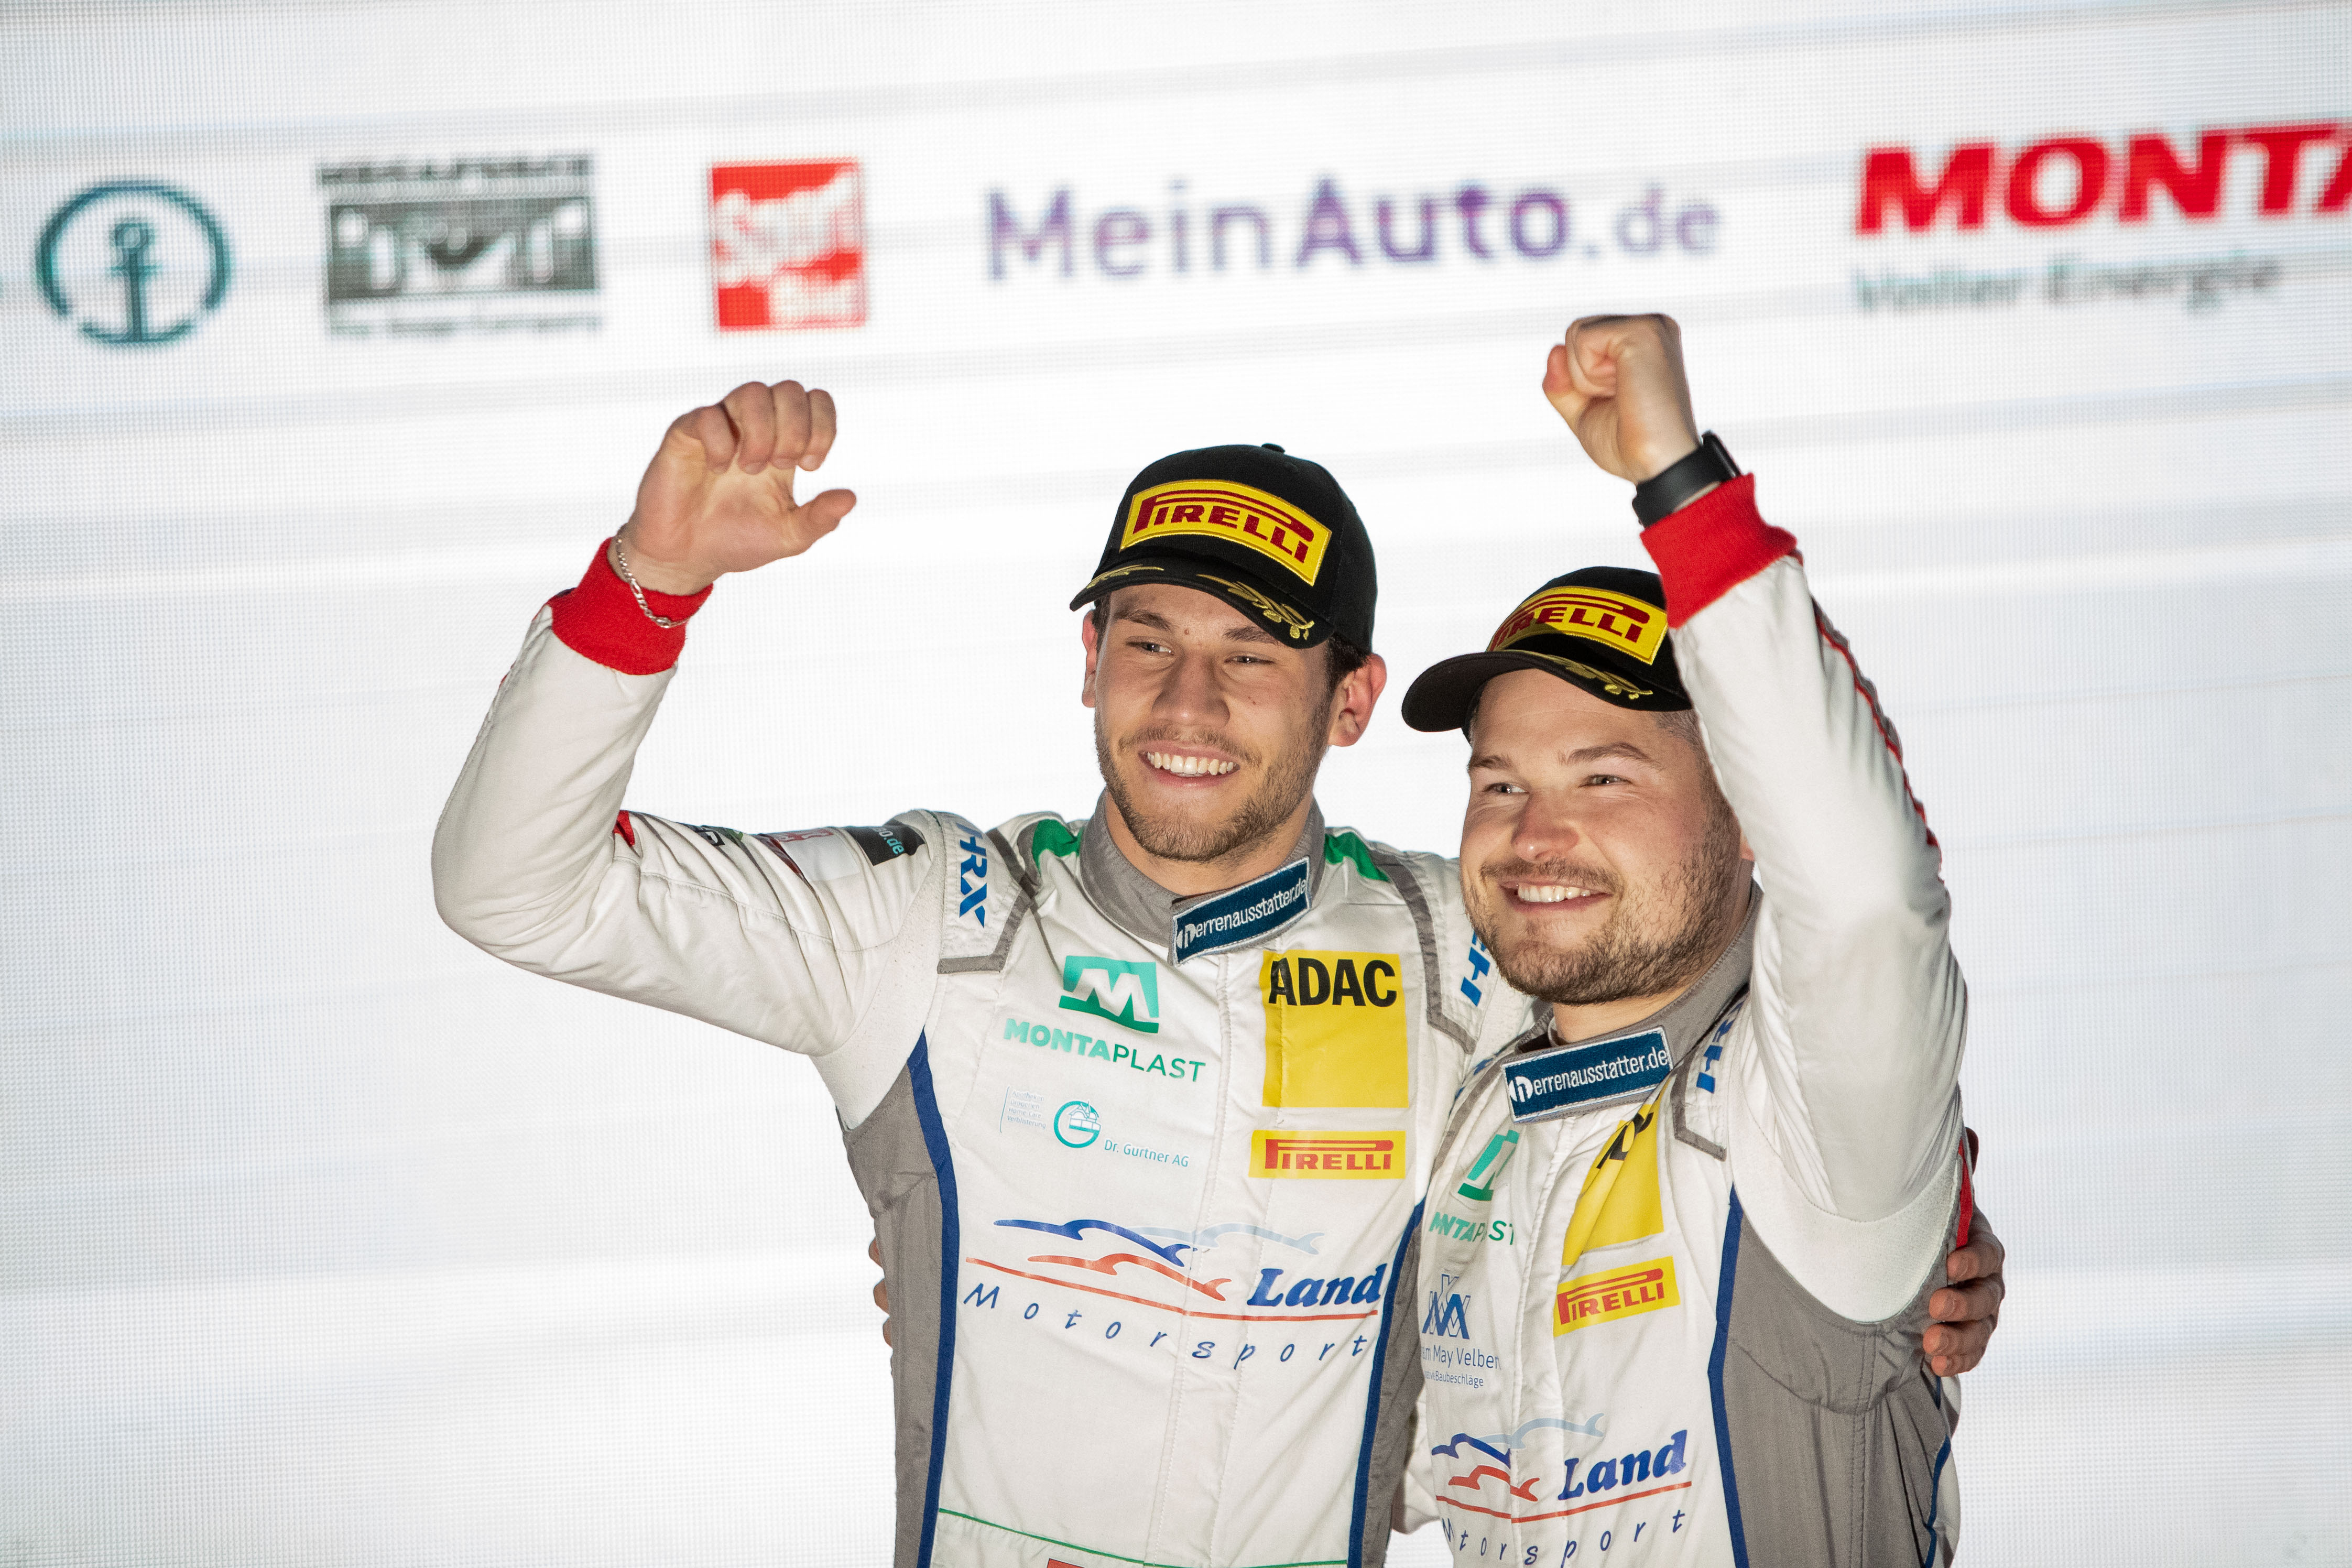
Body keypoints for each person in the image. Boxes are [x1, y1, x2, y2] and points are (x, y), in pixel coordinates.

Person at [432, 371, 2002, 1568]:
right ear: (1089, 660)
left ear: (1350, 701)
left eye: (1252, 653)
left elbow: (1763, 970)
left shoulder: (1465, 952)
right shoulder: (924, 921)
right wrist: (649, 579)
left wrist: (1910, 1200)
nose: (1189, 700)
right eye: (1148, 640)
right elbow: (515, 885)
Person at [1395, 314, 1981, 1564]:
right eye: (1501, 783)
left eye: (1604, 777)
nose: (1535, 834)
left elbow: (1867, 896)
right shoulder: (1468, 1114)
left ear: (1750, 810)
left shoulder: (1808, 1121)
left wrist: (1676, 481)